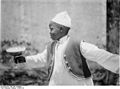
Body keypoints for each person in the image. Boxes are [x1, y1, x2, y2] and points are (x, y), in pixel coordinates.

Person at [25, 11, 119, 85]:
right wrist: (24, 59)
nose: (49, 32)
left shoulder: (77, 44)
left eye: (52, 29)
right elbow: (41, 58)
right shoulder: (51, 46)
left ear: (61, 29)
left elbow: (99, 54)